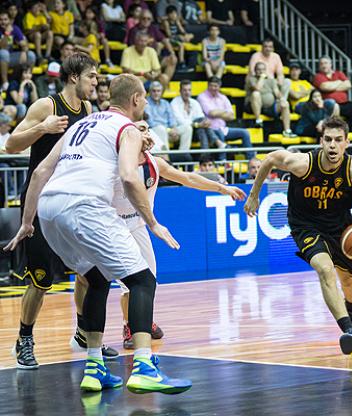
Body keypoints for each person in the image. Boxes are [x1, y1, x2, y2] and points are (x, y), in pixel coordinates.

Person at [4, 73, 192, 394]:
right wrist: (153, 222)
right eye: (144, 98)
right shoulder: (127, 128)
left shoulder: (79, 124)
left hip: (49, 208)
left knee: (98, 279)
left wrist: (27, 222)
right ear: (134, 100)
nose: (145, 102)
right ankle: (145, 366)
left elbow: (40, 171)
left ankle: (94, 368)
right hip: (85, 205)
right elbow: (129, 178)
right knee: (142, 280)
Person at [3, 54, 117, 369]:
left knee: (87, 270)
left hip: (72, 200)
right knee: (40, 279)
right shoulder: (46, 106)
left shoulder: (89, 111)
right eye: (91, 76)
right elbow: (11, 145)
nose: (97, 82)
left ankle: (84, 333)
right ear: (72, 78)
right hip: (40, 200)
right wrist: (43, 127)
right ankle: (24, 340)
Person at [244, 116, 352, 361]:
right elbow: (270, 159)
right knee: (325, 269)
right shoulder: (302, 164)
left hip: (340, 228)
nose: (332, 145)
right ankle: (349, 331)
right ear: (321, 141)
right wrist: (254, 194)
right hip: (306, 226)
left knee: (348, 279)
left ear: (346, 143)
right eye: (328, 140)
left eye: (338, 140)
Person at [116, 122, 246, 349]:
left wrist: (222, 188)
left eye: (148, 130)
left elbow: (188, 178)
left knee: (149, 278)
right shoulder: (115, 161)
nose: (147, 135)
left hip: (137, 225)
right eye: (142, 130)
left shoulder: (155, 163)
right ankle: (129, 326)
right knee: (129, 283)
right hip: (113, 226)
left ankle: (143, 319)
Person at [198, 76, 255, 158]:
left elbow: (232, 116)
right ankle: (223, 161)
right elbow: (211, 113)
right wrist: (224, 112)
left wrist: (218, 112)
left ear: (219, 87)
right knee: (219, 133)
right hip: (210, 129)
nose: (213, 88)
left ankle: (251, 159)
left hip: (224, 128)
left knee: (245, 133)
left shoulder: (223, 97)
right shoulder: (202, 97)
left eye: (216, 86)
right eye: (211, 85)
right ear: (208, 85)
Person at [245, 62, 296, 137]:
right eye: (259, 69)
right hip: (253, 107)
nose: (261, 71)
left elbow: (277, 92)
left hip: (269, 107)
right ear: (255, 71)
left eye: (263, 69)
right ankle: (258, 120)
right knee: (256, 94)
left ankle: (287, 130)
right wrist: (262, 78)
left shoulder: (271, 80)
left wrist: (281, 99)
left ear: (265, 70)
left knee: (285, 104)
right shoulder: (251, 79)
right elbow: (257, 88)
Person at [145, 81, 192, 152]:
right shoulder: (146, 103)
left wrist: (174, 128)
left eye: (158, 91)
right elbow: (151, 123)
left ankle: (183, 154)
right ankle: (167, 157)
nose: (156, 93)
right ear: (150, 92)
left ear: (161, 92)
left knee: (187, 128)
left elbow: (172, 118)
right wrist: (168, 130)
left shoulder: (165, 103)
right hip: (155, 131)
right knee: (161, 129)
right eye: (154, 91)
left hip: (168, 131)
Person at [0, 9, 37, 91]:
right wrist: (7, 33)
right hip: (1, 58)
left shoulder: (15, 28)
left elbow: (25, 44)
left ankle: (27, 81)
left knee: (31, 55)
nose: (3, 22)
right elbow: (2, 46)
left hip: (10, 57)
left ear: (9, 20)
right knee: (3, 53)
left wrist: (24, 51)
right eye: (1, 20)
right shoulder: (5, 30)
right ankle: (5, 83)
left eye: (5, 19)